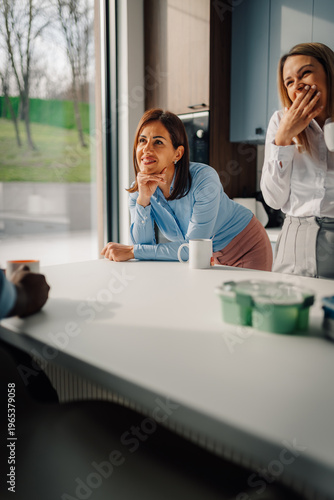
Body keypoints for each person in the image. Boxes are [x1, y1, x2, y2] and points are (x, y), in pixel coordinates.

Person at [101, 108, 272, 270]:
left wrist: (132, 251)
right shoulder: (138, 191)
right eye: (142, 140)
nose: (146, 149)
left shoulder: (204, 179)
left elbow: (192, 247)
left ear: (178, 153)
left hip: (246, 247)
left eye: (158, 142)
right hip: (207, 257)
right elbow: (144, 248)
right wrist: (144, 199)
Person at [261, 42, 334, 279]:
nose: (298, 85)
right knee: (290, 311)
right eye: (289, 82)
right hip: (295, 236)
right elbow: (273, 200)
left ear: (329, 74)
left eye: (306, 73)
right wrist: (283, 138)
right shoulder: (279, 121)